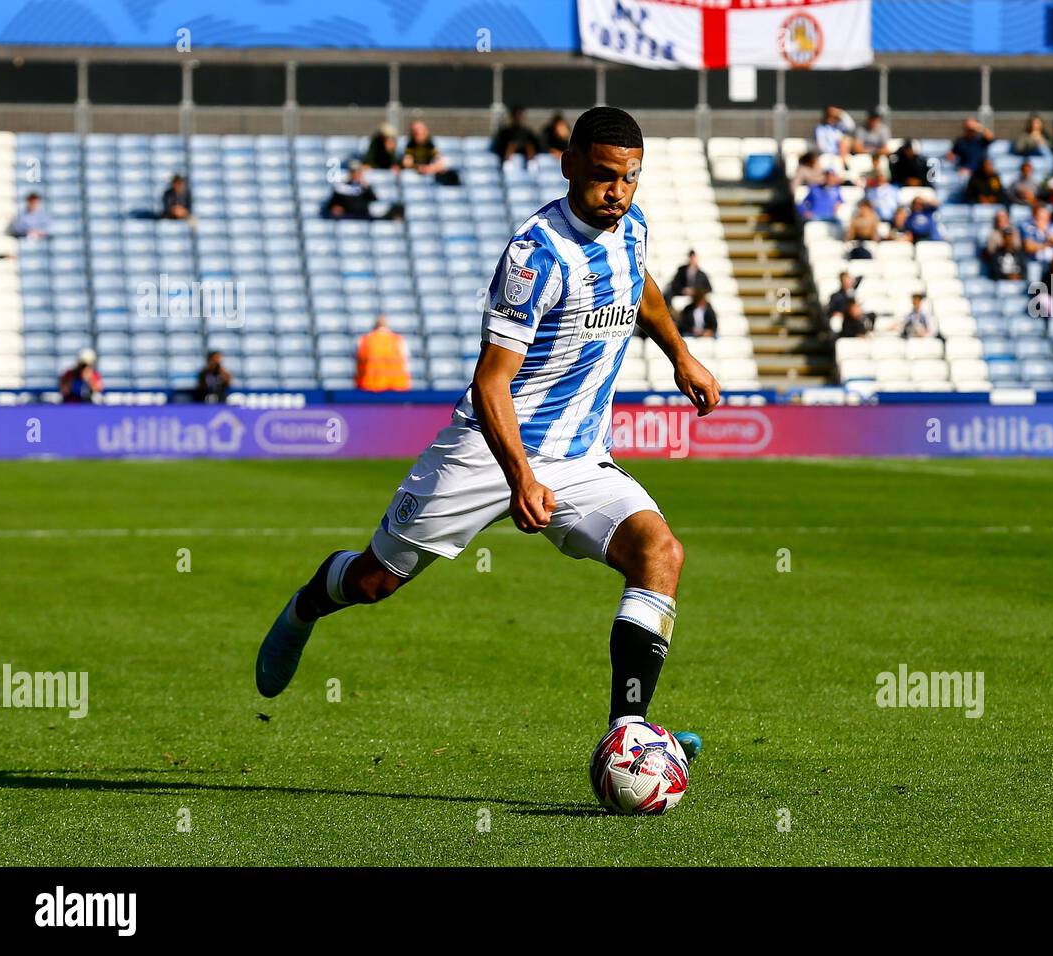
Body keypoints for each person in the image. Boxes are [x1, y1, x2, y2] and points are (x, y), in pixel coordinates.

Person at [254, 108, 720, 768]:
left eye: (630, 179)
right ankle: (305, 606)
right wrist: (521, 475)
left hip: (579, 456)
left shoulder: (632, 227)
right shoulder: (535, 256)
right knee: (374, 581)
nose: (618, 192)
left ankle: (630, 734)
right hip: (486, 449)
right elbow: (492, 381)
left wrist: (680, 355)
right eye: (603, 176)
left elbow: (639, 286)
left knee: (660, 554)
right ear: (568, 165)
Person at [326, 162, 403, 221]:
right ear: (350, 173)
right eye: (354, 172)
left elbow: (374, 200)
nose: (357, 174)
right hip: (347, 216)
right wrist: (335, 208)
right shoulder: (342, 187)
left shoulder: (364, 187)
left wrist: (366, 187)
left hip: (364, 216)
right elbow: (332, 204)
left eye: (359, 172)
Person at [354, 315, 412, 391]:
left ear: (374, 326)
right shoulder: (398, 340)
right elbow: (406, 365)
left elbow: (357, 365)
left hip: (370, 388)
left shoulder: (364, 340)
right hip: (397, 388)